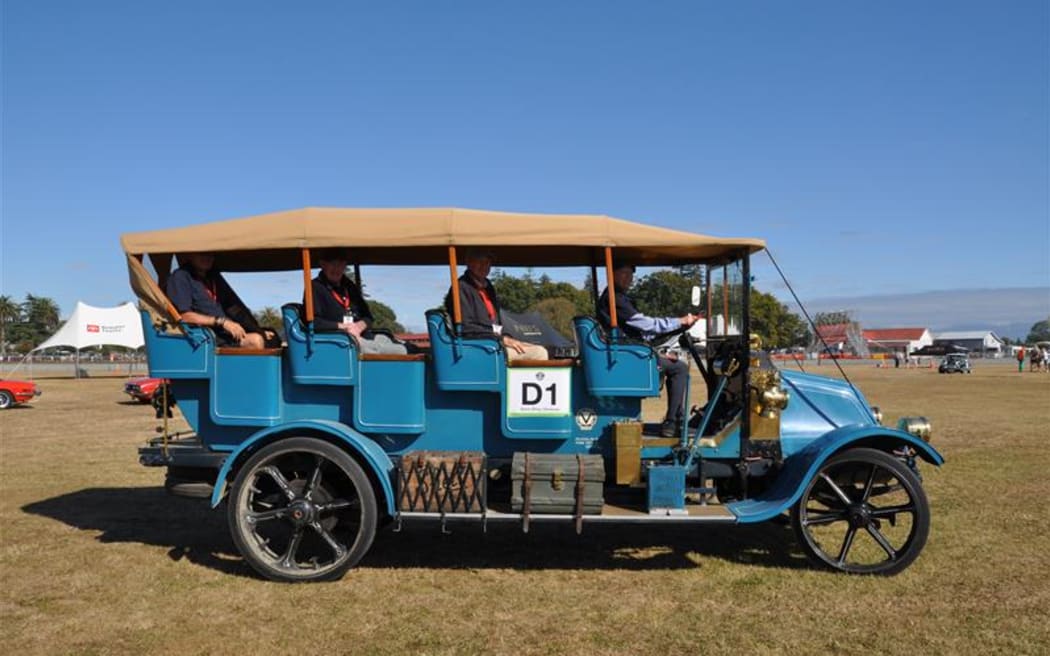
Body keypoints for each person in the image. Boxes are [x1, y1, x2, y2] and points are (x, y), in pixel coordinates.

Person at [598, 263, 699, 438]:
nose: (628, 278)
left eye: (630, 275)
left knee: (674, 364)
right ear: (612, 275)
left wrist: (676, 329)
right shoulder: (615, 299)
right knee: (680, 368)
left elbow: (641, 333)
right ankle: (672, 422)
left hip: (627, 352)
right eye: (624, 273)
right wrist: (680, 321)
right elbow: (647, 325)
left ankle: (676, 418)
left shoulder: (617, 298)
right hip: (626, 356)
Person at [444, 249, 548, 361]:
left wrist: (506, 337)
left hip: (493, 342)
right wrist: (502, 339)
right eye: (480, 261)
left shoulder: (488, 287)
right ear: (469, 262)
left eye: (488, 262)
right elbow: (466, 327)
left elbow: (496, 324)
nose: (484, 266)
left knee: (539, 348)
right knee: (539, 353)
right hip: (479, 346)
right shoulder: (461, 287)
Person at [167, 252, 277, 349]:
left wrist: (258, 330)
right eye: (202, 253)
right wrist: (221, 322)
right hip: (206, 338)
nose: (207, 257)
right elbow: (184, 316)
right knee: (256, 341)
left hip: (226, 334)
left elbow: (235, 308)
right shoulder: (180, 277)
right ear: (190, 255)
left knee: (272, 337)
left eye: (210, 254)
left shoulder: (213, 277)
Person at [310, 249, 407, 355]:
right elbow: (313, 323)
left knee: (407, 346)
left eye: (340, 264)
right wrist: (343, 326)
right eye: (333, 264)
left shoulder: (349, 286)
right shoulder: (315, 287)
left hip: (365, 336)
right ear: (323, 265)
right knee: (401, 351)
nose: (337, 269)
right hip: (343, 342)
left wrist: (359, 326)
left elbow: (368, 317)